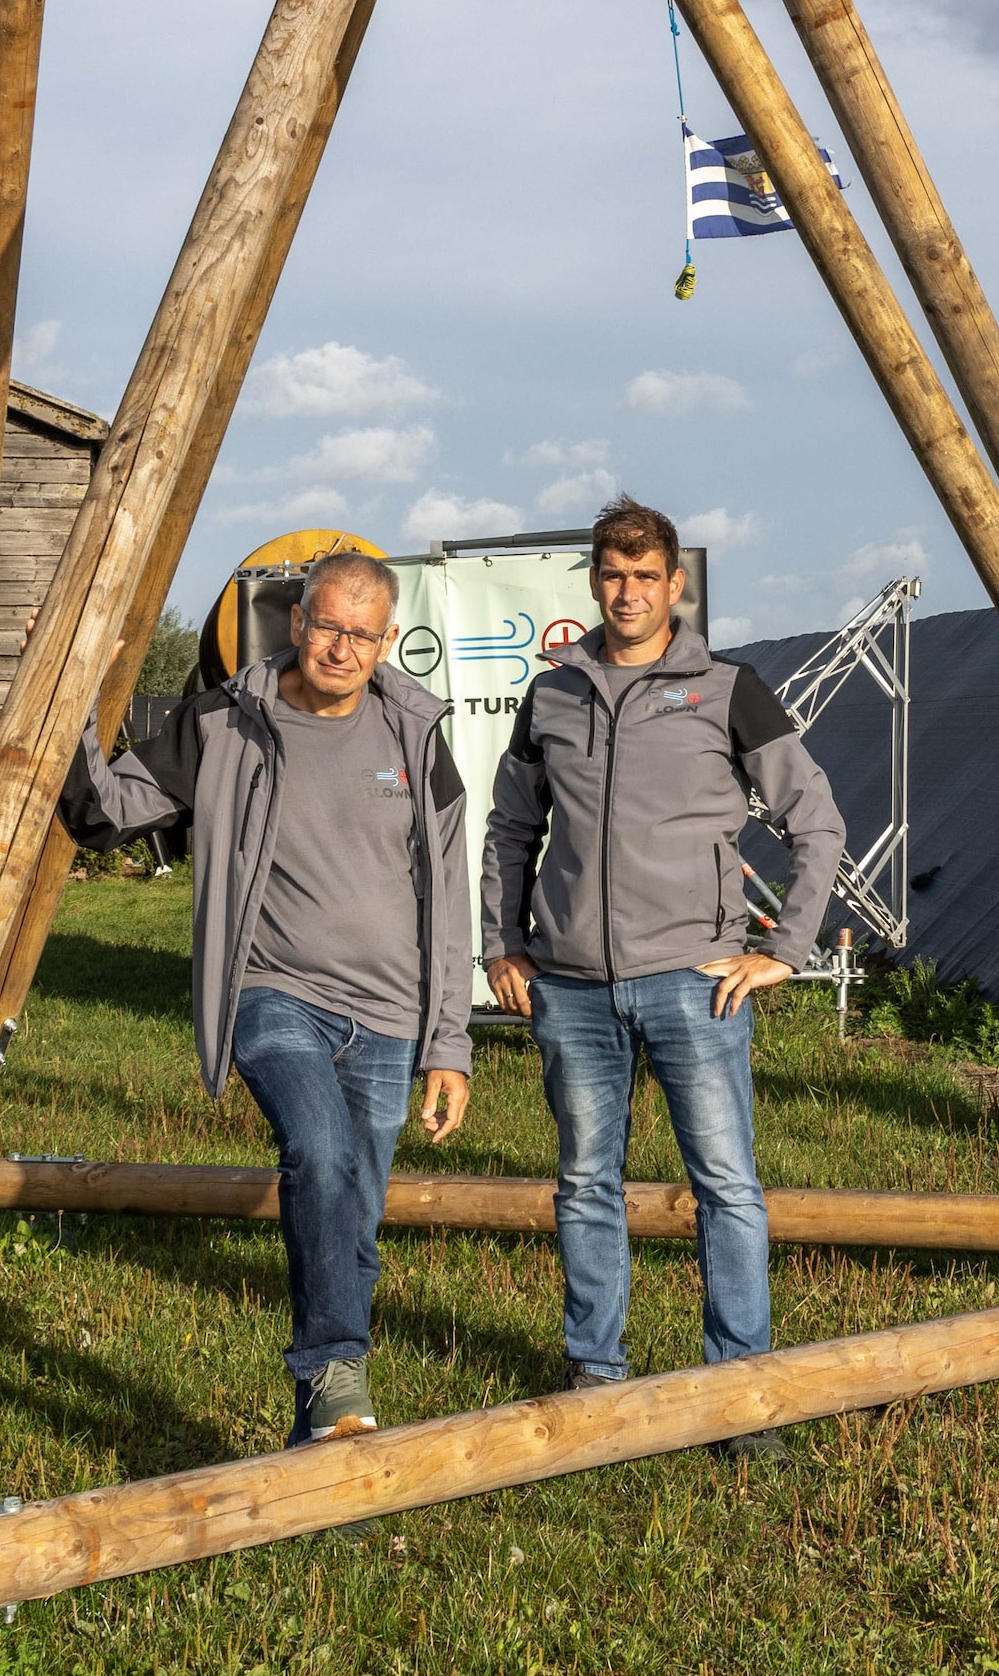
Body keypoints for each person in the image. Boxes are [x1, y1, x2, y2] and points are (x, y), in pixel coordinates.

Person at [58, 549, 472, 1445]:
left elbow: (449, 891)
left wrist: (450, 1041)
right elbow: (102, 814)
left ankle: (325, 1414)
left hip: (394, 1014)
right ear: (297, 621)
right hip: (271, 989)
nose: (341, 646)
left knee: (353, 1208)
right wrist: (63, 698)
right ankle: (333, 1366)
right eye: (327, 624)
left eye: (362, 633)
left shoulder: (416, 734)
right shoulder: (222, 724)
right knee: (318, 1151)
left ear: (387, 640)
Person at [481, 496, 845, 1450]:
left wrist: (783, 951)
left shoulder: (727, 688)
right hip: (571, 985)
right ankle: (596, 1372)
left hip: (696, 979)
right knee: (585, 1181)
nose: (628, 590)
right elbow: (511, 828)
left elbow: (817, 821)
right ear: (594, 582)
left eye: (646, 575)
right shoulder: (552, 692)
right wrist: (502, 944)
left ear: (676, 585)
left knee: (726, 1184)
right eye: (612, 574)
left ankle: (738, 1386)